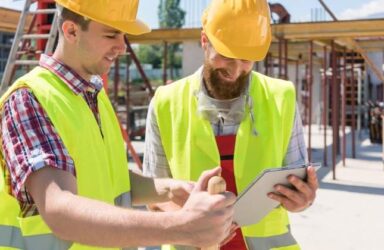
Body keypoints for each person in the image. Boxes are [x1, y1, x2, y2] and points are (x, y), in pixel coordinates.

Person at [0, 0, 236, 249]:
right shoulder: (28, 99)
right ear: (71, 31)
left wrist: (169, 189)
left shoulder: (92, 94)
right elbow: (59, 209)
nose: (122, 46)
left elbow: (107, 179)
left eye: (123, 34)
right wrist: (181, 227)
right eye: (111, 34)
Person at [143, 0, 319, 249]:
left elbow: (295, 183)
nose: (236, 71)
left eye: (246, 60)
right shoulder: (166, 102)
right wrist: (189, 224)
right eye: (226, 57)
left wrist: (303, 200)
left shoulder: (282, 97)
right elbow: (152, 193)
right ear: (205, 41)